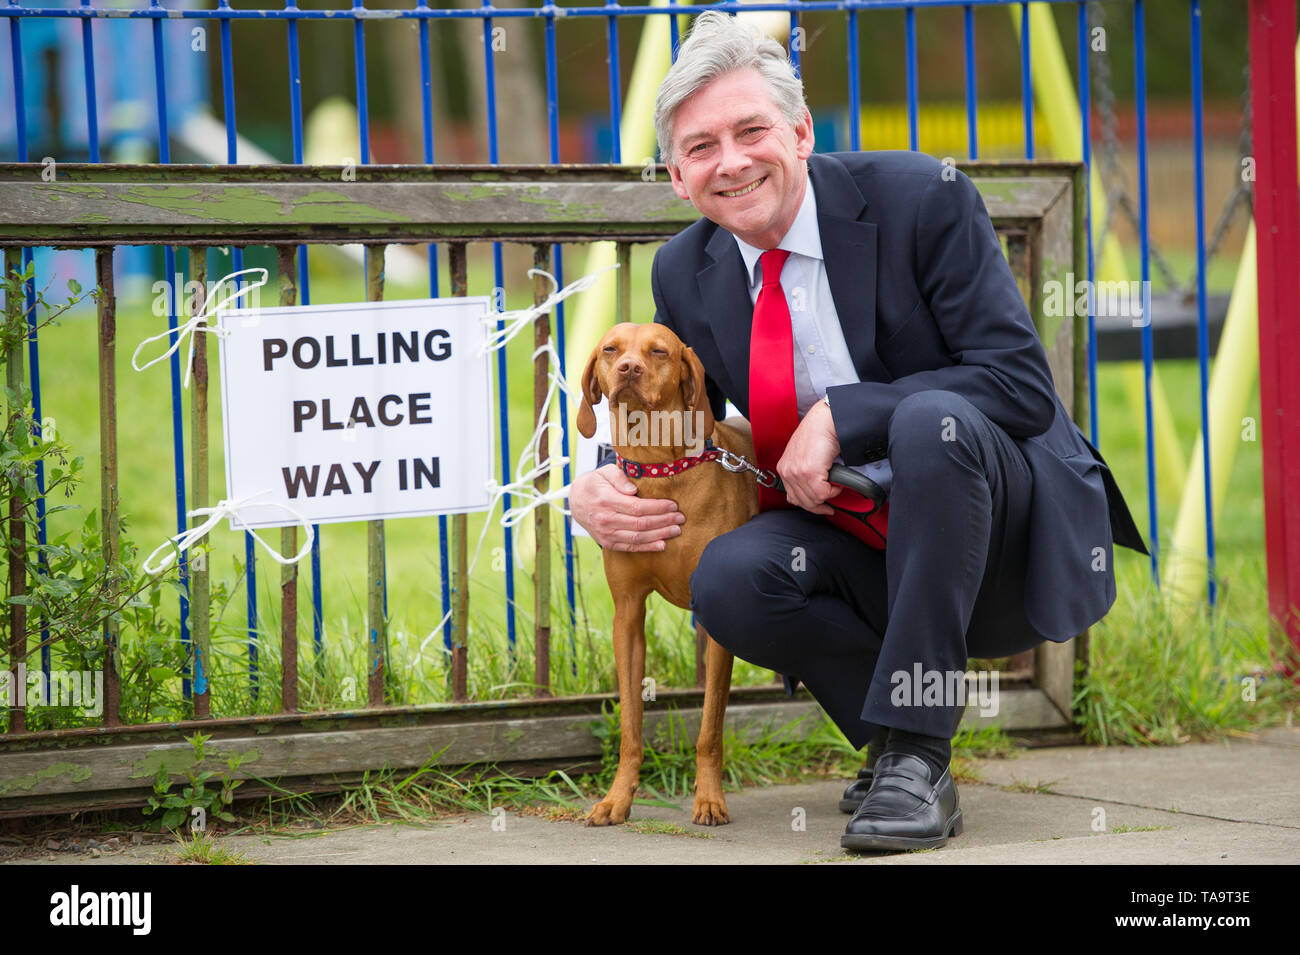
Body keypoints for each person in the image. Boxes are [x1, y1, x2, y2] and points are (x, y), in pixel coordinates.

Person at [567, 10, 1146, 852]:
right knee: (729, 576)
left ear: (801, 132)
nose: (729, 161)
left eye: (751, 130)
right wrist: (594, 481)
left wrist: (845, 411)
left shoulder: (920, 196)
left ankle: (915, 748)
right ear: (675, 175)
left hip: (997, 548)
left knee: (927, 422)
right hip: (862, 558)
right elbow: (671, 412)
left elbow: (1020, 386)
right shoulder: (684, 271)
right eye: (700, 148)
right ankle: (897, 752)